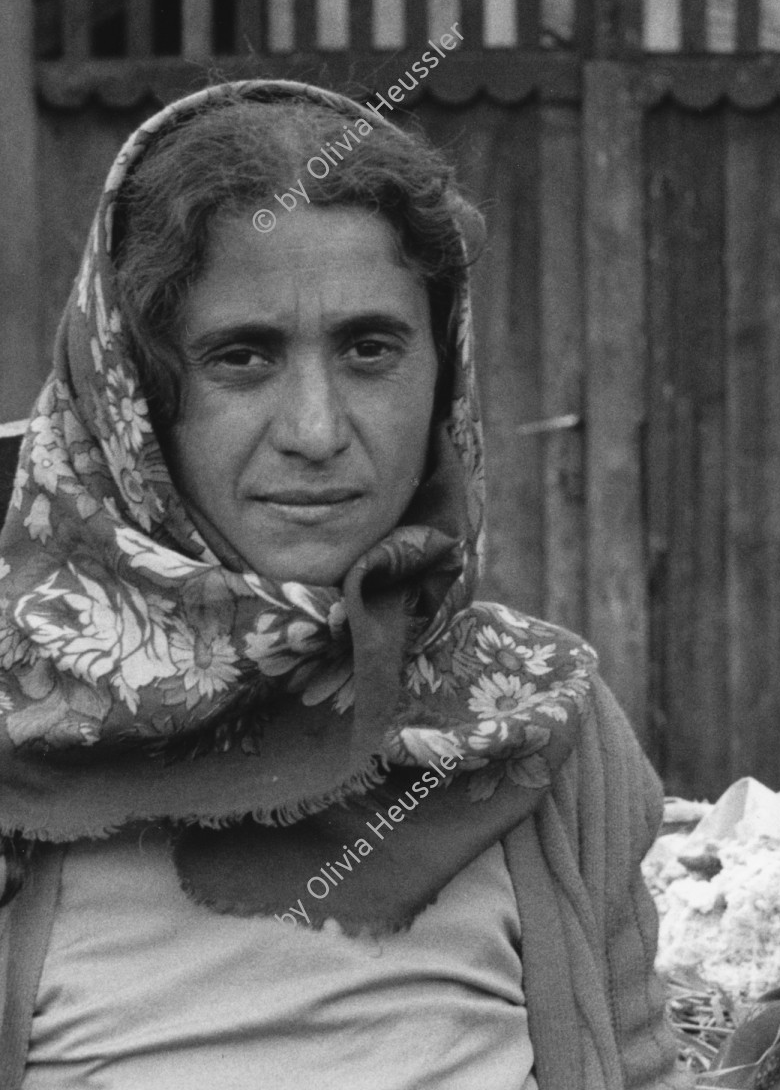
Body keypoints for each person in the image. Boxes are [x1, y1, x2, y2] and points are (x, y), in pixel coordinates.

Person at [0, 80, 689, 1089]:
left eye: (370, 349)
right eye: (244, 356)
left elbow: (635, 1066)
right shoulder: (23, 719)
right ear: (136, 393)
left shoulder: (540, 722)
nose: (317, 431)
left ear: (442, 375)